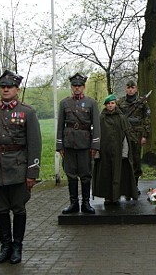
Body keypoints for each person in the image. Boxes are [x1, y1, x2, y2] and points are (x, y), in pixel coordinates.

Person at [0, 70, 41, 264]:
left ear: (17, 90)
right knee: (1, 209)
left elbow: (34, 145)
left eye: (9, 87)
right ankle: (5, 247)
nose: (5, 90)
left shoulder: (27, 112)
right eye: (3, 87)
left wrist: (32, 173)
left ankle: (17, 247)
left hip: (19, 168)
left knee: (18, 209)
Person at [57, 73, 101, 215]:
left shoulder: (91, 103)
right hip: (69, 143)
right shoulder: (64, 103)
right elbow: (60, 126)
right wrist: (60, 145)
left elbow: (96, 125)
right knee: (70, 174)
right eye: (74, 86)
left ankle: (86, 203)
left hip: (85, 143)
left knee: (85, 174)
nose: (77, 88)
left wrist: (95, 145)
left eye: (79, 86)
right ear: (71, 87)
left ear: (84, 87)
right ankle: (73, 203)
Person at [92, 94, 138, 205]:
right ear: (105, 105)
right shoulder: (101, 118)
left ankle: (116, 196)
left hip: (118, 151)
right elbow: (96, 135)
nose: (110, 105)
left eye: (112, 103)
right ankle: (107, 196)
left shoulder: (121, 118)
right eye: (108, 104)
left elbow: (126, 135)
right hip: (104, 152)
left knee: (118, 174)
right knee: (106, 174)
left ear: (115, 104)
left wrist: (125, 152)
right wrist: (97, 151)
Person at [117, 79, 150, 195]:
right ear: (126, 89)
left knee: (136, 161)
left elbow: (146, 119)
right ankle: (124, 187)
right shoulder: (119, 102)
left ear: (136, 89)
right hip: (124, 135)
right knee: (124, 160)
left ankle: (134, 186)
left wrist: (145, 135)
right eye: (128, 87)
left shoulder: (142, 103)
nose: (130, 90)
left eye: (133, 88)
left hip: (137, 135)